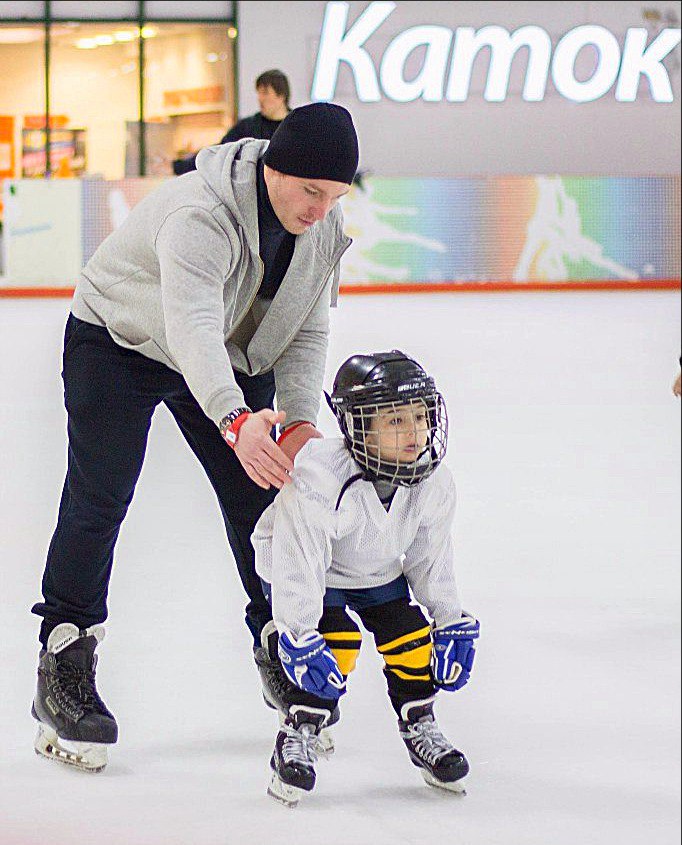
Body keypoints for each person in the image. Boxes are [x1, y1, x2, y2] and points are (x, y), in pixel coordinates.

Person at [30, 102, 359, 772]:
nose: (321, 209)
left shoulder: (321, 227)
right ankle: (65, 654)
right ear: (275, 169)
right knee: (101, 494)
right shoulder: (200, 212)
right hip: (120, 338)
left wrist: (297, 420)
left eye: (336, 196)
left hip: (226, 352)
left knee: (263, 499)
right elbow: (192, 324)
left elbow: (306, 327)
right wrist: (235, 420)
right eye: (311, 191)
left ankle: (282, 639)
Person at [252, 350, 480, 807]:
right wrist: (298, 633)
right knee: (334, 644)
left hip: (376, 571)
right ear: (358, 427)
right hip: (310, 573)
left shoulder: (434, 482)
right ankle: (298, 730)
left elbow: (430, 558)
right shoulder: (318, 477)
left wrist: (448, 619)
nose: (414, 432)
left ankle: (419, 722)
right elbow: (299, 562)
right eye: (395, 421)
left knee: (412, 639)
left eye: (420, 416)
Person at [173, 69, 291, 175]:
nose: (260, 98)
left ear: (281, 95)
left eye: (265, 92)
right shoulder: (247, 126)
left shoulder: (295, 126)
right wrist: (178, 167)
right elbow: (218, 152)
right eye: (258, 93)